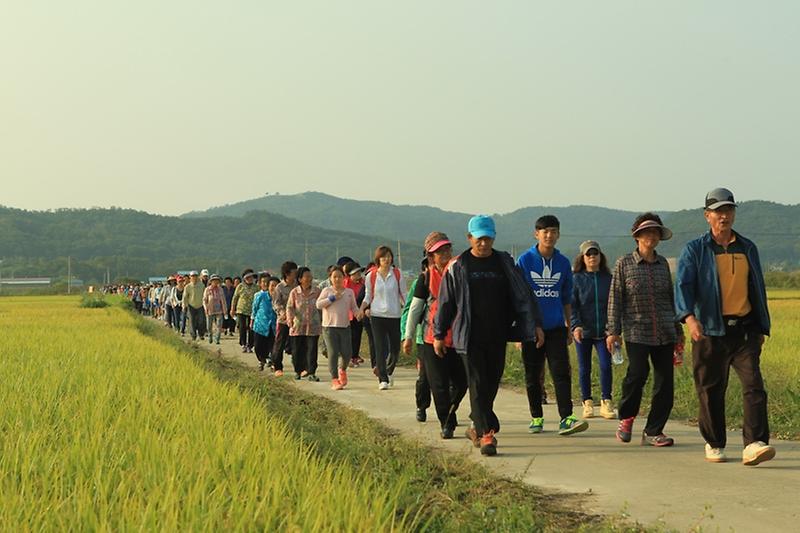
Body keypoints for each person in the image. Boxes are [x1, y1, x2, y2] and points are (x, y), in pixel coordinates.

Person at [675, 188, 774, 465]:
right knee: (710, 389)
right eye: (719, 211)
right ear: (707, 216)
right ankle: (714, 442)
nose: (724, 216)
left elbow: (758, 288)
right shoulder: (696, 249)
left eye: (729, 210)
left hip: (744, 330)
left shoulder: (747, 247)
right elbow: (683, 286)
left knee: (754, 385)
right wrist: (690, 319)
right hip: (709, 330)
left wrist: (760, 327)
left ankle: (754, 443)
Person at [434, 215, 543, 456]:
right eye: (479, 238)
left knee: (492, 382)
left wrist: (533, 324)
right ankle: (486, 434)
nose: (484, 243)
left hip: (498, 333)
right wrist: (439, 333)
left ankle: (476, 423)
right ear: (469, 238)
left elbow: (523, 295)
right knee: (477, 383)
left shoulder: (504, 262)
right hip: (469, 336)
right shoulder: (458, 266)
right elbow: (446, 303)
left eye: (488, 238)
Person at [607, 213, 684, 447]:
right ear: (637, 236)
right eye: (647, 232)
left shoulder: (663, 265)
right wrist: (613, 331)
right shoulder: (624, 264)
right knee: (637, 374)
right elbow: (615, 298)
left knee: (665, 382)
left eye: (655, 232)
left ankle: (653, 430)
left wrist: (678, 332)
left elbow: (670, 299)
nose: (651, 236)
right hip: (636, 330)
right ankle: (627, 418)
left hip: (664, 331)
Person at [517, 215, 587, 436]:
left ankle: (566, 417)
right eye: (545, 231)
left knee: (561, 372)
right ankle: (536, 416)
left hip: (556, 327)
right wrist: (521, 330)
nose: (549, 235)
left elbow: (566, 298)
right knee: (533, 374)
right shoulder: (525, 260)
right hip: (530, 328)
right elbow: (519, 298)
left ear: (558, 234)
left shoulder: (563, 263)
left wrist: (568, 325)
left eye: (553, 231)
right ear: (536, 233)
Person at [404, 232, 468, 439]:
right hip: (432, 339)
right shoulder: (426, 278)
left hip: (458, 338)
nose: (445, 254)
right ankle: (446, 423)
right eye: (440, 251)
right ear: (431, 256)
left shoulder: (460, 272)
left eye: (447, 249)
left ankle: (450, 409)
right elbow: (415, 309)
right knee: (438, 384)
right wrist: (409, 336)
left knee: (462, 382)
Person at [571, 240, 616, 419]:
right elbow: (572, 305)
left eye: (595, 253)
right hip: (583, 331)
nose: (592, 257)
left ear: (600, 256)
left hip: (604, 333)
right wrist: (575, 325)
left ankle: (606, 401)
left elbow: (614, 304)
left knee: (606, 365)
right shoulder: (576, 279)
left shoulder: (609, 279)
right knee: (584, 368)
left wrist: (613, 329)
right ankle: (587, 402)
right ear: (582, 257)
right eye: (588, 254)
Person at [359, 247, 407, 390]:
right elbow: (368, 295)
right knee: (379, 348)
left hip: (394, 315)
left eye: (388, 256)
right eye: (383, 257)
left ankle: (389, 370)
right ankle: (382, 378)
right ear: (378, 259)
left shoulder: (397, 274)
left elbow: (403, 294)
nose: (386, 259)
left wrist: (408, 309)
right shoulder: (371, 276)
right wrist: (362, 308)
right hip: (377, 315)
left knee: (395, 348)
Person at [316, 266, 360, 390]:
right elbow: (318, 304)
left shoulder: (349, 292)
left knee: (347, 354)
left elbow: (354, 307)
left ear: (344, 278)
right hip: (329, 327)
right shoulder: (327, 291)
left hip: (345, 326)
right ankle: (334, 379)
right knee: (333, 353)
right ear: (330, 278)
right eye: (334, 277)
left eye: (340, 276)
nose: (337, 279)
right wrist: (332, 298)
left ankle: (342, 370)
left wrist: (358, 313)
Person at [401, 258, 432, 423]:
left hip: (449, 337)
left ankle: (449, 411)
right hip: (424, 336)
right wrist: (407, 335)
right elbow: (410, 310)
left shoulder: (451, 278)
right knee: (425, 376)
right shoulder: (421, 282)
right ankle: (422, 406)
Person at [286, 267, 322, 381]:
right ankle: (298, 370)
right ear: (300, 279)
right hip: (298, 326)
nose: (309, 279)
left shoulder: (317, 291)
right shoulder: (295, 292)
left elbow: (321, 306)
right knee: (297, 350)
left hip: (313, 325)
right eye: (306, 276)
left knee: (312, 349)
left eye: (310, 276)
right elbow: (290, 307)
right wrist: (289, 319)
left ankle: (311, 372)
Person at [271, 261, 298, 376]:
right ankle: (277, 366)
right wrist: (283, 313)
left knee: (297, 344)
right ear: (287, 274)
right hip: (283, 320)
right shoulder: (280, 287)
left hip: (297, 320)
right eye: (294, 272)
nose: (296, 274)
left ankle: (300, 367)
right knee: (280, 343)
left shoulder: (298, 285)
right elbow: (276, 303)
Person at [251, 273, 277, 371]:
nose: (266, 284)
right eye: (264, 282)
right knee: (258, 345)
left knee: (273, 345)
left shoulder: (278, 296)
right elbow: (254, 308)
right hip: (260, 324)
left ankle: (273, 361)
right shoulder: (260, 295)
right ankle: (261, 360)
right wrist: (252, 320)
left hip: (273, 325)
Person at [343, 262, 367, 367]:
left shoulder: (363, 283)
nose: (358, 275)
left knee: (357, 336)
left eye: (359, 273)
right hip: (346, 314)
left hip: (358, 314)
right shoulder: (345, 283)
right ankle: (347, 357)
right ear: (350, 274)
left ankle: (355, 357)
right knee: (347, 337)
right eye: (356, 273)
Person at [232, 269, 257, 353]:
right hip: (241, 310)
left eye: (251, 277)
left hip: (252, 311)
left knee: (251, 328)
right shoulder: (240, 286)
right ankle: (243, 344)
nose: (250, 279)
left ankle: (250, 345)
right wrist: (233, 309)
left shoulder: (256, 287)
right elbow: (235, 298)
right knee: (242, 327)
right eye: (248, 277)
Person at [203, 274, 228, 344]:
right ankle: (210, 336)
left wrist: (225, 310)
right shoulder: (207, 289)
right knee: (209, 326)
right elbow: (204, 300)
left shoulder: (220, 290)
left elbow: (223, 300)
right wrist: (205, 308)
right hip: (210, 310)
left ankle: (217, 338)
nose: (216, 282)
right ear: (211, 281)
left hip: (219, 310)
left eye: (217, 281)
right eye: (214, 281)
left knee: (219, 325)